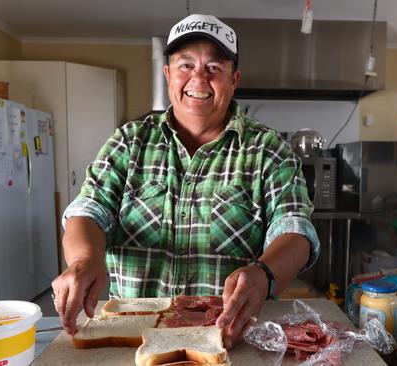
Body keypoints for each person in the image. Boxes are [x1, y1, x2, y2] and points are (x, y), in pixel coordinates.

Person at [51, 13, 320, 349]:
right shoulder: (129, 142)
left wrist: (264, 275)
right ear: (167, 74)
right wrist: (84, 260)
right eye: (186, 65)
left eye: (214, 68)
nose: (198, 79)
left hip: (225, 339)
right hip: (134, 340)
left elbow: (295, 229)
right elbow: (88, 210)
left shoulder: (268, 150)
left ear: (234, 79)